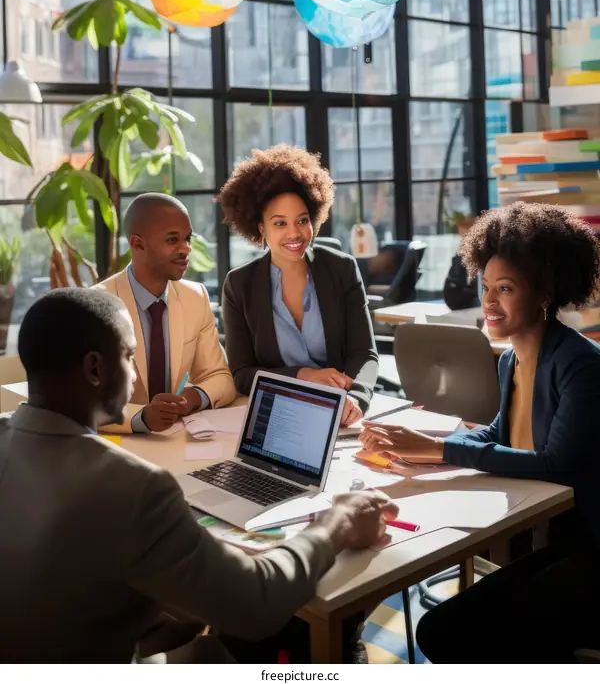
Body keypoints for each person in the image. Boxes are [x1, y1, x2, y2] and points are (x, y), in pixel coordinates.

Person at [0, 287, 397, 664]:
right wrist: (338, 522)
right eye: (129, 356)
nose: (136, 375)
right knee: (228, 649)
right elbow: (256, 603)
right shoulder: (134, 486)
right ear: (94, 368)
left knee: (204, 634)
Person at [360, 202, 600, 664]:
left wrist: (438, 448)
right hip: (543, 536)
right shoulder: (510, 358)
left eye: (505, 289)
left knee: (446, 634)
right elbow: (500, 433)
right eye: (486, 286)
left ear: (544, 293)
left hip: (587, 552)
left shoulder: (581, 366)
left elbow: (556, 464)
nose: (489, 301)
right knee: (441, 629)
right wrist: (419, 450)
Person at [217, 145, 378, 426]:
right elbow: (241, 374)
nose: (295, 233)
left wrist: (357, 399)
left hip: (341, 412)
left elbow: (364, 354)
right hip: (281, 413)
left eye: (302, 221)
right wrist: (303, 374)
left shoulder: (342, 269)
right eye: (280, 223)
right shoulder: (240, 284)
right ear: (260, 229)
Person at [99, 193, 235, 433]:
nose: (186, 249)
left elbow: (220, 377)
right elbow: (82, 398)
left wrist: (194, 397)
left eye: (187, 239)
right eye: (173, 240)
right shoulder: (97, 304)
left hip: (174, 439)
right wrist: (142, 417)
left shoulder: (196, 297)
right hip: (118, 444)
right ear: (137, 244)